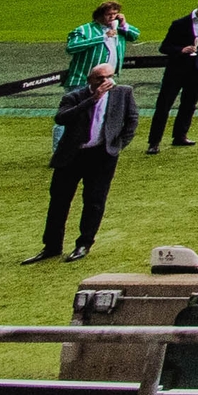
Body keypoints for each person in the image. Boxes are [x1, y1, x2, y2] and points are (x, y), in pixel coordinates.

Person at [31, 63, 138, 263]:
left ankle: (84, 244)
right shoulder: (74, 97)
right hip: (72, 156)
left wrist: (117, 145)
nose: (106, 82)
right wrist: (92, 99)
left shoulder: (123, 93)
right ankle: (52, 246)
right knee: (59, 202)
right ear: (90, 80)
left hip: (102, 156)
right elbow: (62, 118)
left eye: (109, 77)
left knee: (94, 201)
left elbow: (132, 120)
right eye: (100, 78)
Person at [145, 0, 198, 153]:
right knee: (164, 105)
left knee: (189, 104)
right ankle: (154, 142)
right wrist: (181, 50)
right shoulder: (180, 24)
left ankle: (180, 136)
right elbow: (164, 47)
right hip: (177, 69)